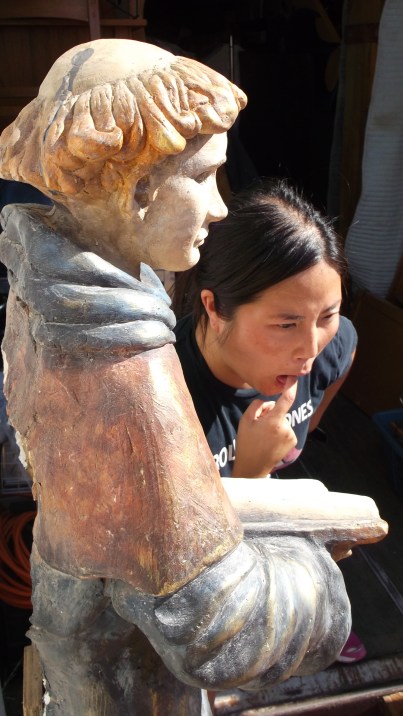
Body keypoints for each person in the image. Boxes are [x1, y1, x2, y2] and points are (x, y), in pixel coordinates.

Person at [0, 39, 381, 715]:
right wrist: (316, 570)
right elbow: (222, 634)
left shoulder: (47, 298)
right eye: (203, 176)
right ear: (138, 190)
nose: (219, 206)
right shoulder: (122, 374)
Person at [174, 177, 366, 663]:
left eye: (325, 316)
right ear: (214, 308)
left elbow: (345, 347)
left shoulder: (330, 347)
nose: (309, 349)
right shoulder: (168, 401)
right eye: (286, 324)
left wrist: (302, 433)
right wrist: (252, 473)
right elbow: (189, 573)